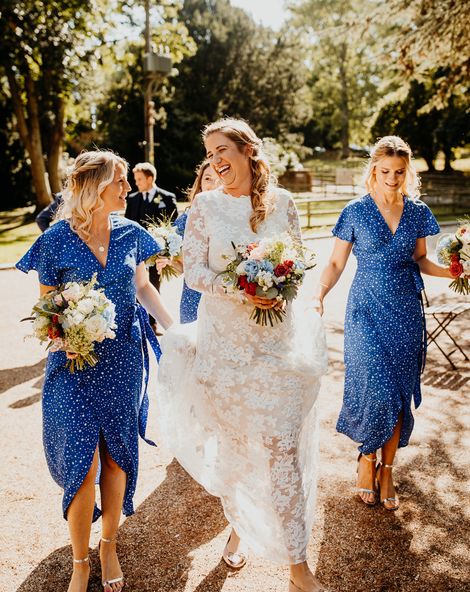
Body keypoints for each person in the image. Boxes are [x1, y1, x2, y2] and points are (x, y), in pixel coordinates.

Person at [156, 118, 329, 592]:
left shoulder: (285, 203)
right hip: (226, 350)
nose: (215, 161)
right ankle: (240, 526)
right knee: (238, 453)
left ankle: (298, 567)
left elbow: (298, 262)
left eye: (222, 150)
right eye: (210, 153)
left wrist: (279, 284)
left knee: (282, 450)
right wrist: (244, 288)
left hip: (278, 347)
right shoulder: (205, 206)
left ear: (248, 150)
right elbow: (193, 273)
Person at [16, 151, 173, 592]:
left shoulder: (132, 233)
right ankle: (80, 561)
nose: (127, 188)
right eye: (120, 181)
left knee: (116, 456)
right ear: (95, 186)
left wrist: (175, 330)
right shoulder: (55, 239)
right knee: (82, 463)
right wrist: (65, 335)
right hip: (72, 365)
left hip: (123, 360)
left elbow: (143, 287)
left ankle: (108, 545)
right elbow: (46, 308)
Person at [312, 136, 453, 511]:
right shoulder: (356, 211)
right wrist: (319, 294)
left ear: (408, 172)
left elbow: (421, 259)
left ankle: (387, 470)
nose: (392, 178)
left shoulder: (418, 211)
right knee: (377, 390)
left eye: (399, 172)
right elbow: (336, 263)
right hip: (365, 311)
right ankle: (366, 457)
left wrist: (455, 272)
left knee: (399, 394)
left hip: (405, 311)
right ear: (373, 169)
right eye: (386, 170)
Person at [156, 160, 219, 323]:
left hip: (225, 294)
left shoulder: (237, 215)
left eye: (219, 178)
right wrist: (168, 261)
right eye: (207, 178)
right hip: (193, 297)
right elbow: (179, 267)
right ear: (200, 183)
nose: (213, 184)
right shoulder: (187, 218)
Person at [125, 162, 178, 331]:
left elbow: (173, 224)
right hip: (137, 251)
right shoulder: (132, 199)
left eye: (139, 179)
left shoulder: (166, 198)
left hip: (158, 250)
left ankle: (153, 323)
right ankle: (139, 322)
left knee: (154, 284)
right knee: (136, 285)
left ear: (149, 179)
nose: (136, 183)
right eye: (135, 179)